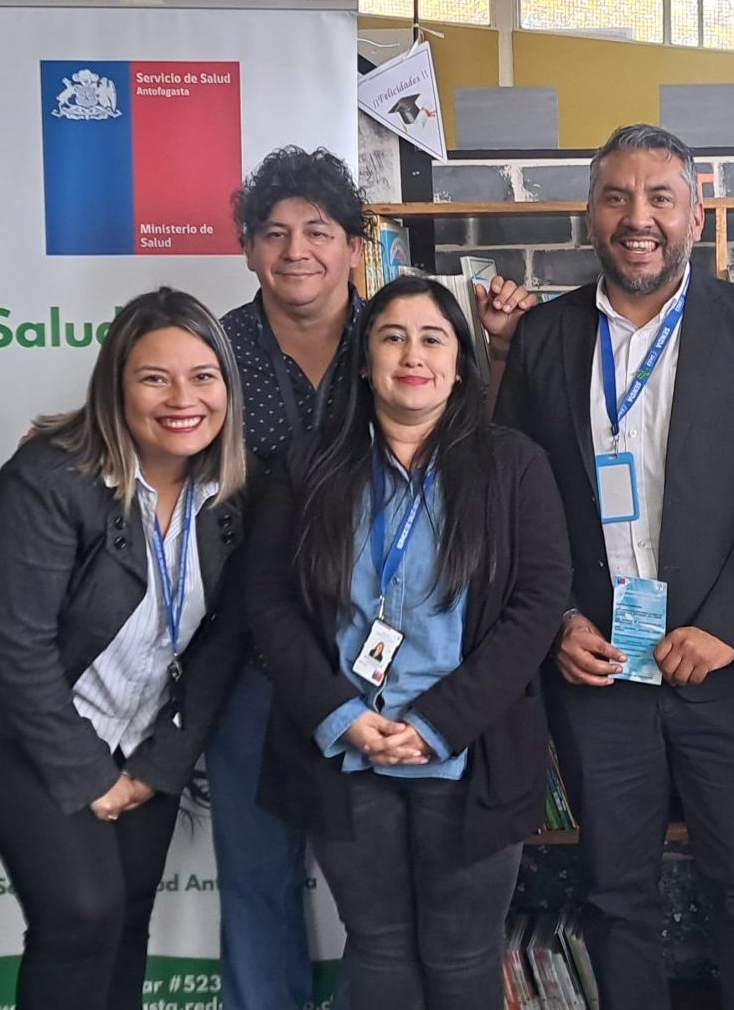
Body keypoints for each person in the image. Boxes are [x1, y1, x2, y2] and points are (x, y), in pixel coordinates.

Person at [207, 146, 533, 1010]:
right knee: (261, 877)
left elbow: (507, 527)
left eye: (319, 230)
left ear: (356, 247)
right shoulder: (216, 350)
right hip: (257, 651)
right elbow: (151, 429)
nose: (296, 249)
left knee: (417, 945)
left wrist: (503, 352)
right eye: (273, 233)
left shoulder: (396, 338)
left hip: (430, 702)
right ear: (247, 250)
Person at [493, 123, 734, 1010]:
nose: (639, 218)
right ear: (590, 216)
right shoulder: (545, 339)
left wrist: (728, 628)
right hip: (598, 669)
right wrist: (556, 621)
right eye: (618, 197)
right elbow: (522, 503)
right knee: (613, 895)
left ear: (695, 216)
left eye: (660, 197)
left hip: (722, 669)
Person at [245, 276, 570, 1009]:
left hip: (468, 753)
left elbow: (539, 601)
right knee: (380, 953)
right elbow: (267, 601)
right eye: (392, 337)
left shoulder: (513, 465)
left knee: (462, 959)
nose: (412, 355)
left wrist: (435, 725)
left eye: (433, 339)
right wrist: (342, 716)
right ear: (364, 360)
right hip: (345, 750)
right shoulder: (308, 465)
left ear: (461, 364)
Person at [0, 289, 252, 1010]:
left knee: (125, 923)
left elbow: (225, 640)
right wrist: (90, 775)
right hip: (17, 727)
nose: (184, 398)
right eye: (155, 377)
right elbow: (15, 645)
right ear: (116, 386)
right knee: (80, 915)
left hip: (144, 737)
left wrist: (159, 763)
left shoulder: (236, 492)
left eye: (203, 376)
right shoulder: (51, 479)